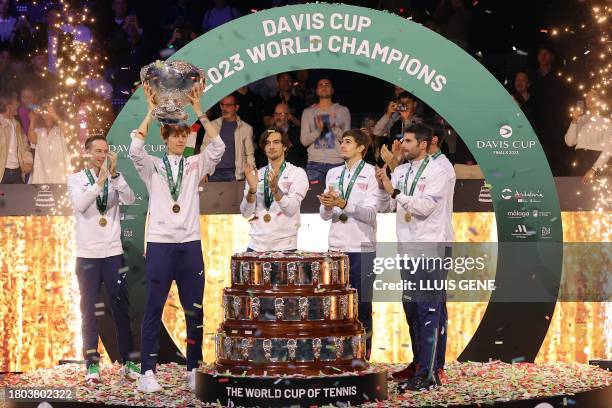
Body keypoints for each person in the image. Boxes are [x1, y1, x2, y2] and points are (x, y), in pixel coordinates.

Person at [130, 83, 225, 392]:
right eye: (175, 135)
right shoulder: (153, 166)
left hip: (189, 246)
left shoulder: (195, 164)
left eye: (184, 134)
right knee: (154, 308)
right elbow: (134, 149)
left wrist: (199, 111)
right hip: (159, 245)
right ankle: (147, 372)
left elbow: (219, 147)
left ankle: (193, 368)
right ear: (166, 138)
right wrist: (150, 109)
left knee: (194, 309)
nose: (181, 138)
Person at [376, 123, 448, 391]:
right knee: (412, 310)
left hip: (430, 247)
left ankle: (429, 375)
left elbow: (425, 207)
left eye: (407, 141)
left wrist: (394, 191)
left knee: (428, 311)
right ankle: (420, 367)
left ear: (424, 144)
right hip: (406, 247)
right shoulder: (403, 169)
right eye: (402, 140)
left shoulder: (439, 170)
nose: (402, 145)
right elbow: (388, 206)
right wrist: (383, 187)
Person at [67, 135, 140, 384]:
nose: (102, 155)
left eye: (105, 151)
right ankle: (91, 365)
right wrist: (99, 181)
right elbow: (80, 204)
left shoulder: (115, 178)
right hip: (87, 255)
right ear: (87, 153)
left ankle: (128, 362)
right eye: (97, 151)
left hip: (112, 253)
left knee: (120, 307)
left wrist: (115, 175)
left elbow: (130, 199)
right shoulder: (76, 179)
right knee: (88, 309)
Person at [318, 129, 379, 359]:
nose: (342, 145)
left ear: (361, 147)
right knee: (335, 306)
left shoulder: (373, 174)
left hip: (362, 248)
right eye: (342, 141)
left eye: (348, 142)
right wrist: (326, 205)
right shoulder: (333, 174)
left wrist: (342, 203)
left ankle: (363, 356)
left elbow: (372, 214)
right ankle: (338, 356)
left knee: (362, 306)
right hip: (336, 248)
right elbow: (325, 216)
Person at [240, 126, 308, 251]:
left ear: (285, 146)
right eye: (267, 143)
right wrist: (252, 190)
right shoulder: (256, 174)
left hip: (285, 246)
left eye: (276, 142)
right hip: (256, 246)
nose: (271, 146)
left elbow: (291, 209)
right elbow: (246, 213)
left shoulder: (297, 173)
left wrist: (276, 190)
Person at [300, 77, 351, 185]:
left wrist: (333, 127)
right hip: (314, 164)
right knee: (313, 199)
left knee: (337, 199)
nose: (324, 87)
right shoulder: (308, 112)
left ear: (332, 90)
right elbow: (304, 141)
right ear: (317, 91)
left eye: (327, 84)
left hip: (337, 162)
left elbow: (348, 140)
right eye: (321, 85)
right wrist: (319, 130)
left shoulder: (342, 111)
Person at [203, 93, 255, 182]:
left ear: (236, 107)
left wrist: (252, 174)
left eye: (228, 105)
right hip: (213, 172)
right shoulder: (212, 125)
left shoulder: (246, 128)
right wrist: (203, 171)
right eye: (222, 105)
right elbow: (204, 149)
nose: (224, 108)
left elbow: (249, 154)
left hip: (235, 173)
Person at [565, 90, 611, 181]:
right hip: (579, 161)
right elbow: (569, 142)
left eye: (593, 96)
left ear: (600, 101)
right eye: (587, 97)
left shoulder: (607, 122)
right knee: (574, 193)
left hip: (596, 162)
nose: (589, 99)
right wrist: (574, 120)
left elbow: (609, 149)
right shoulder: (580, 119)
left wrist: (594, 169)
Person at [28, 102, 69, 184]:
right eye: (43, 109)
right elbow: (32, 139)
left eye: (47, 108)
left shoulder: (59, 128)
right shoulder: (39, 130)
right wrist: (32, 119)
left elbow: (67, 131)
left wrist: (54, 115)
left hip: (59, 173)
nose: (45, 111)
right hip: (41, 172)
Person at [0, 93, 32, 183]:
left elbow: (25, 146)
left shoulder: (16, 124)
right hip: (2, 172)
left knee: (19, 196)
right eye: (16, 102)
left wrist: (28, 162)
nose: (18, 104)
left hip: (17, 170)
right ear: (8, 105)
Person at [272, 102, 307, 169]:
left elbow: (303, 154)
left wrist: (301, 169)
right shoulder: (268, 132)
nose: (278, 117)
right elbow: (263, 155)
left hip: (293, 171)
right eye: (276, 114)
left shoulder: (297, 132)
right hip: (273, 171)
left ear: (288, 116)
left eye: (281, 114)